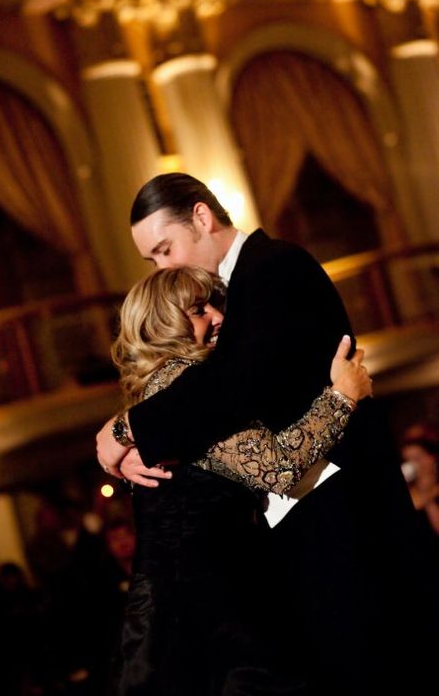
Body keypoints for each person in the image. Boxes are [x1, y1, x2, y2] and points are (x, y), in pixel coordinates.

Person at [97, 173, 438, 695]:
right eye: (153, 261)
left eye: (164, 250)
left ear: (202, 218)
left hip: (346, 528)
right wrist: (129, 431)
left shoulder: (275, 267)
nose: (163, 269)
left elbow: (234, 384)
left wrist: (126, 430)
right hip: (287, 551)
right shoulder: (224, 311)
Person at [106, 265, 372, 696]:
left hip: (188, 605)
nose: (217, 317)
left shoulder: (160, 393)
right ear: (160, 324)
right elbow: (279, 468)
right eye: (197, 310)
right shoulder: (183, 388)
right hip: (206, 612)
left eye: (215, 304)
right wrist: (344, 393)